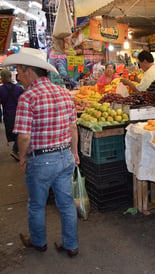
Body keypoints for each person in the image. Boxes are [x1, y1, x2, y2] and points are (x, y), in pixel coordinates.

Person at [2, 48, 80, 257]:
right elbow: (73, 127)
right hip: (65, 157)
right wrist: (74, 153)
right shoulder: (65, 93)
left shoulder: (28, 98)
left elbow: (24, 136)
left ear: (29, 72)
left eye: (19, 71)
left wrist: (23, 156)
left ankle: (38, 242)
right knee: (66, 204)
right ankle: (71, 245)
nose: (19, 76)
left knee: (36, 205)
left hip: (42, 161)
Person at [0, 69, 25, 160]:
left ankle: (16, 150)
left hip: (8, 115)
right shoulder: (19, 88)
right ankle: (17, 150)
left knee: (14, 134)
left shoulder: (1, 89)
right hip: (19, 115)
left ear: (3, 77)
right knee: (19, 133)